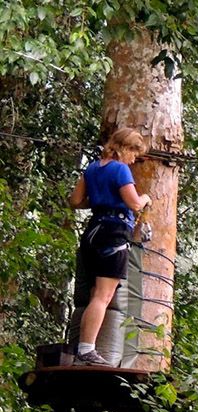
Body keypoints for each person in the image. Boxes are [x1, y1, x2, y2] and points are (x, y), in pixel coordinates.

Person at [67, 127, 151, 366]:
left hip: (93, 231)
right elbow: (134, 204)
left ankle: (83, 346)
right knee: (103, 297)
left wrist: (100, 200)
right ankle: (86, 349)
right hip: (113, 234)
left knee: (95, 295)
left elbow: (75, 201)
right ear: (126, 148)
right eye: (134, 153)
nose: (134, 159)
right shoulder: (120, 169)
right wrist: (146, 199)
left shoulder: (92, 168)